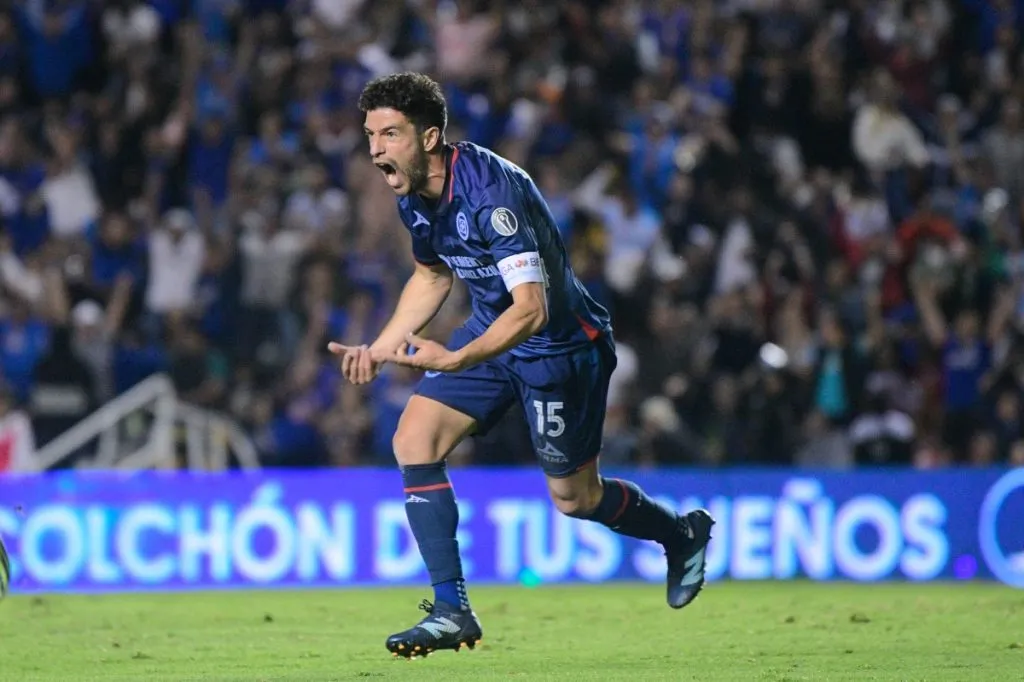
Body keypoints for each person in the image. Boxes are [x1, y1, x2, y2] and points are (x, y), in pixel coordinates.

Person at [328, 73, 714, 659]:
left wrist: (455, 356)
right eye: (371, 135)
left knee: (576, 499)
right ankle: (452, 609)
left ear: (429, 137)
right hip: (492, 332)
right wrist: (382, 346)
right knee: (414, 438)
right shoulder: (414, 195)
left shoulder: (491, 194)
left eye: (390, 134)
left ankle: (680, 534)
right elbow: (432, 275)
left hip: (559, 349)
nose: (376, 150)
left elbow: (532, 310)